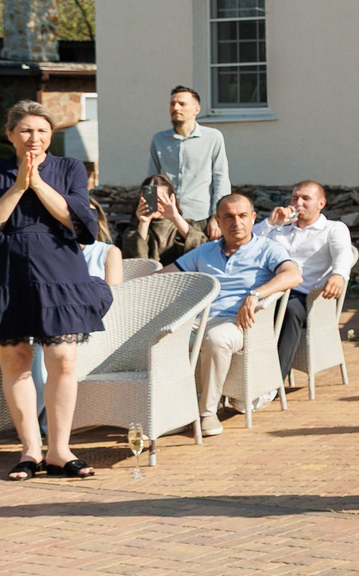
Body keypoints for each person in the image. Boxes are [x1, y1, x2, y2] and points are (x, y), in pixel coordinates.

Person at [0, 99, 114, 478]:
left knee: (64, 361)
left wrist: (38, 183)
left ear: (51, 136)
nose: (34, 138)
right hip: (5, 272)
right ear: (10, 135)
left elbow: (81, 225)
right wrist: (18, 187)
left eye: (42, 130)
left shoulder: (69, 168)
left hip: (59, 271)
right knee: (16, 361)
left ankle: (60, 450)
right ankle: (29, 451)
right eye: (25, 130)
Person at [174, 192, 302, 435]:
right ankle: (169, 411)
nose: (236, 222)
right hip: (198, 320)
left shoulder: (267, 249)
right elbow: (168, 276)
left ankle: (207, 412)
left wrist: (255, 294)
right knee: (160, 337)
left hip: (238, 322)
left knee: (216, 339)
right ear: (218, 221)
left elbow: (293, 276)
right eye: (229, 217)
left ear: (253, 218)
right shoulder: (205, 251)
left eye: (243, 216)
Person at [264, 180, 358, 383]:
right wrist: (270, 224)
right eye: (295, 198)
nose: (299, 203)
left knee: (288, 310)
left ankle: (272, 383)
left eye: (306, 198)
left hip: (307, 298)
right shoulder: (280, 230)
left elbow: (343, 253)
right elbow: (249, 244)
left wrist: (339, 274)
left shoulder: (333, 229)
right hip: (272, 292)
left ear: (321, 204)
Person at [148, 85, 230, 231]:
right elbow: (152, 179)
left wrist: (217, 217)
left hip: (200, 217)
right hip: (166, 218)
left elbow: (221, 179)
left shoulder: (213, 137)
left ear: (196, 109)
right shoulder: (159, 139)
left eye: (182, 104)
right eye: (172, 104)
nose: (176, 108)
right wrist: (151, 211)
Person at [127, 174, 201, 266]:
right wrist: (144, 223)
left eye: (159, 199)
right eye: (149, 198)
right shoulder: (132, 231)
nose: (154, 204)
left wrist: (175, 217)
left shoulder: (184, 226)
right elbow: (137, 263)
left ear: (170, 199)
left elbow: (201, 249)